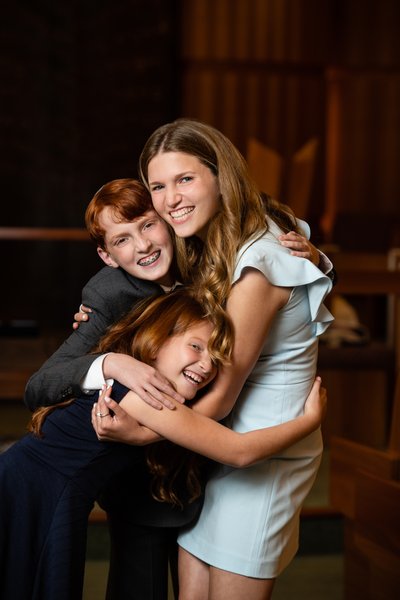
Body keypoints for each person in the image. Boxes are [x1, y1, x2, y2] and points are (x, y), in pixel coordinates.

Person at [24, 177, 322, 600]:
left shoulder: (207, 264)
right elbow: (41, 385)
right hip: (138, 481)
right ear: (107, 256)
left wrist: (318, 259)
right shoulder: (108, 294)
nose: (143, 246)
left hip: (199, 467)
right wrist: (111, 361)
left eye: (148, 226)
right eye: (123, 240)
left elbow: (283, 276)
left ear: (166, 221)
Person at [92, 118, 334, 600]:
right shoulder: (217, 240)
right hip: (213, 448)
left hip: (262, 450)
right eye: (158, 185)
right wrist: (94, 311)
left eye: (185, 179)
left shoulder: (257, 262)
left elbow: (220, 398)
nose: (170, 199)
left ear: (221, 175)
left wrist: (140, 432)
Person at [1, 288, 326, 600]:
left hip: (45, 488)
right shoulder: (143, 394)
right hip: (34, 490)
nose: (206, 365)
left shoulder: (137, 387)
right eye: (196, 347)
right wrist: (307, 423)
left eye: (215, 357)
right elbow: (239, 452)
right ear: (157, 342)